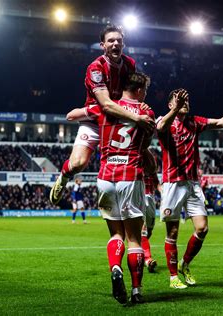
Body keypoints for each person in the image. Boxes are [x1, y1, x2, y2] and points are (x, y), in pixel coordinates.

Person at [66, 72, 154, 304]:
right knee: (134, 238)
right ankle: (136, 291)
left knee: (116, 234)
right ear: (139, 91)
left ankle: (115, 267)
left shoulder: (105, 108)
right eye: (145, 90)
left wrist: (91, 111)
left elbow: (71, 115)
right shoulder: (147, 113)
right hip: (130, 175)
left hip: (106, 177)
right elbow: (145, 146)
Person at [157, 87, 223, 289]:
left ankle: (184, 264)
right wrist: (175, 109)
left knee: (202, 228)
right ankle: (173, 277)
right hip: (173, 183)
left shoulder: (195, 122)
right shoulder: (164, 121)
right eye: (180, 99)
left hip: (192, 183)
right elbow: (160, 128)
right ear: (170, 104)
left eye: (187, 99)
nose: (185, 102)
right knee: (172, 232)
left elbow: (222, 122)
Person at [49, 25, 155, 205]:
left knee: (149, 160)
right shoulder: (96, 68)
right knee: (77, 164)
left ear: (123, 44)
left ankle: (149, 198)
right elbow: (105, 104)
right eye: (111, 41)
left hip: (119, 119)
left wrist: (139, 104)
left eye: (119, 41)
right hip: (96, 117)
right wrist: (137, 117)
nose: (115, 44)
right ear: (102, 45)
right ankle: (63, 177)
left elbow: (131, 91)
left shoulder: (130, 64)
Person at [141, 150, 159, 273]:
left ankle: (140, 252)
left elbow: (157, 183)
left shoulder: (152, 169)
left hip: (151, 198)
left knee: (149, 230)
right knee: (143, 230)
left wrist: (164, 193)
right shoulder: (135, 163)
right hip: (139, 197)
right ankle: (147, 259)